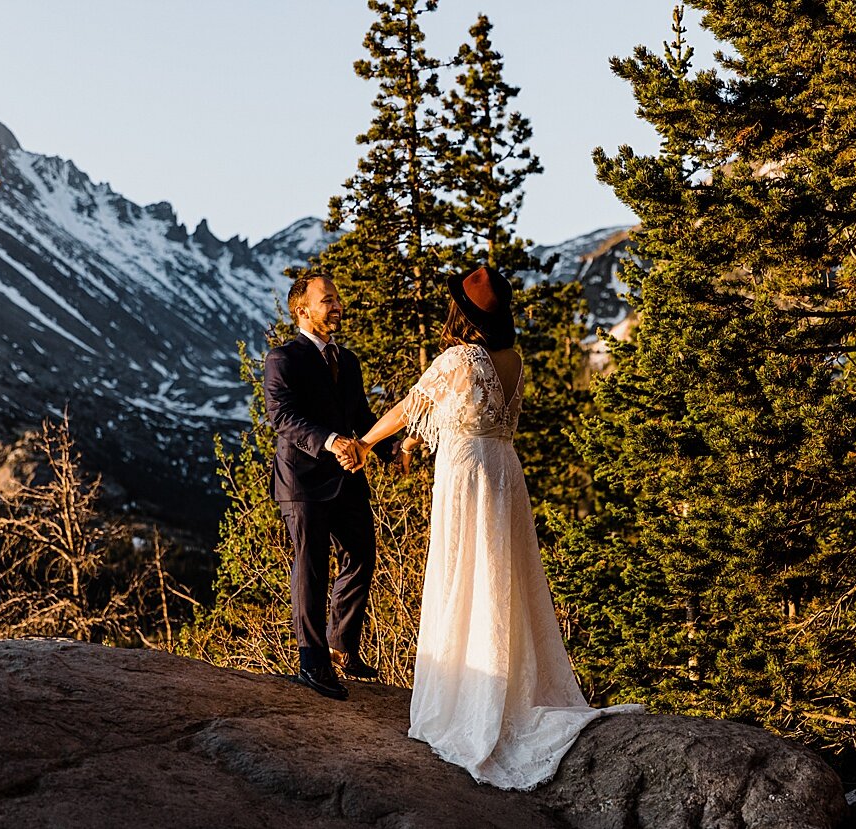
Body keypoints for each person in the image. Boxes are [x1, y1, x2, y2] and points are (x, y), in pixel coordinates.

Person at [355, 265, 641, 790]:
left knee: (464, 573)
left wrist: (368, 442)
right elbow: (462, 413)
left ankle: (469, 700)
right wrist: (420, 440)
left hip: (467, 473)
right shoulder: (512, 360)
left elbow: (410, 407)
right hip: (505, 469)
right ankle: (506, 685)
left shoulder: (459, 358)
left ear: (461, 314)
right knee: (501, 576)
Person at [263, 273, 402, 700]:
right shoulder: (282, 358)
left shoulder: (350, 361)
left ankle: (342, 647)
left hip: (347, 480)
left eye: (338, 299)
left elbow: (359, 413)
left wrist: (389, 450)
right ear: (302, 309)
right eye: (328, 300)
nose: (337, 306)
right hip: (302, 482)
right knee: (311, 568)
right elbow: (281, 416)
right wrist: (330, 441)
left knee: (362, 555)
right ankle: (312, 661)